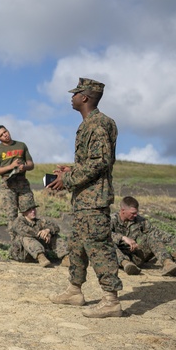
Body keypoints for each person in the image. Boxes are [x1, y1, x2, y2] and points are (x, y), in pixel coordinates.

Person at [46, 78, 122, 318]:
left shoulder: (97, 124)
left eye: (75, 94)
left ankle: (111, 300)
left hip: (94, 200)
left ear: (85, 97)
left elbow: (100, 162)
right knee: (77, 246)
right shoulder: (90, 123)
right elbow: (92, 162)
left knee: (98, 247)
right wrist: (71, 170)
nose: (72, 97)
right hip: (83, 200)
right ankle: (74, 290)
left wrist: (67, 180)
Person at [112, 196, 176, 276]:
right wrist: (123, 238)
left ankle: (168, 264)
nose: (135, 215)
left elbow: (156, 232)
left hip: (135, 255)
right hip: (116, 257)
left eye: (136, 212)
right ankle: (126, 264)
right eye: (133, 213)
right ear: (123, 210)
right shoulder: (111, 220)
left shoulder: (139, 220)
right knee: (106, 242)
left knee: (152, 236)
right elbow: (101, 234)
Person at [0, 125, 35, 232]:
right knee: (11, 216)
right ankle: (15, 244)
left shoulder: (21, 145)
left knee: (29, 212)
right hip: (7, 184)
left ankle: (31, 240)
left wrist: (24, 167)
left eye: (5, 132)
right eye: (1, 135)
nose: (5, 135)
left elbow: (31, 164)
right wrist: (11, 166)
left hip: (22, 182)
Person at [9, 194, 66, 267]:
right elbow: (26, 231)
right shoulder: (18, 222)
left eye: (34, 209)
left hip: (36, 252)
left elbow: (55, 227)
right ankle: (41, 257)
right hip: (22, 254)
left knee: (54, 235)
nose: (33, 211)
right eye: (29, 210)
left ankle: (66, 257)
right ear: (24, 212)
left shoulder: (38, 221)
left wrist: (47, 231)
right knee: (26, 237)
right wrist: (43, 234)